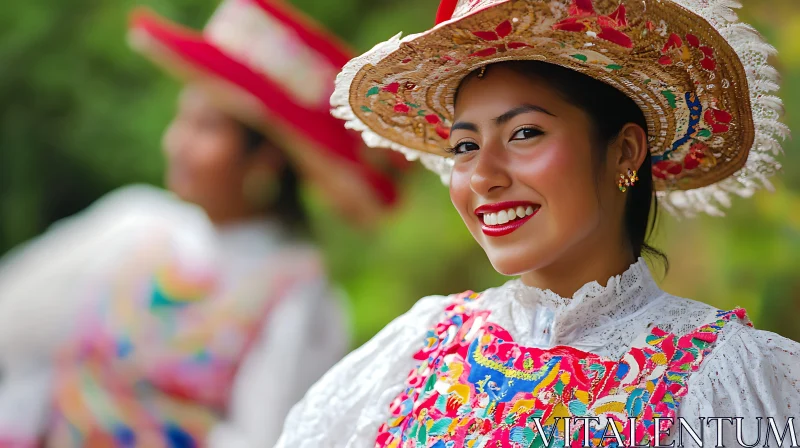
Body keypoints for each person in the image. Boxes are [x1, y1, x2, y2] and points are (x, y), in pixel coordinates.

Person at [277, 0, 800, 446]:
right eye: (465, 146)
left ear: (624, 151)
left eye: (524, 134)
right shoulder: (418, 348)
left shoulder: (727, 379)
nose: (483, 175)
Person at [0, 0, 401, 446]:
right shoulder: (132, 225)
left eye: (205, 128)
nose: (176, 144)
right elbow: (15, 328)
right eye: (182, 120)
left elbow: (270, 437)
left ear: (264, 160)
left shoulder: (299, 298)